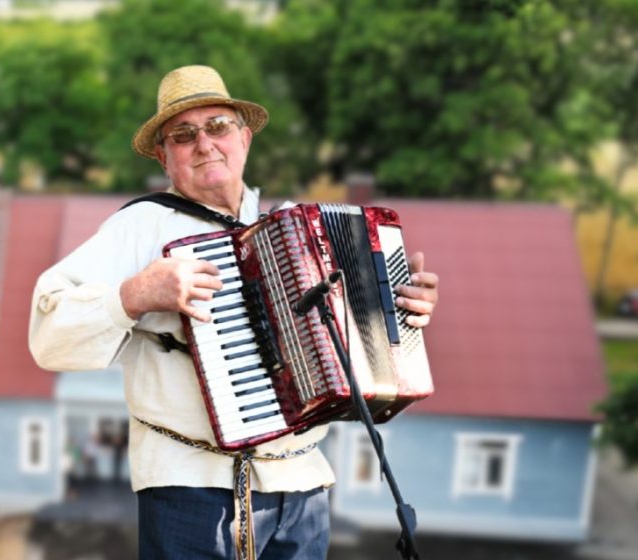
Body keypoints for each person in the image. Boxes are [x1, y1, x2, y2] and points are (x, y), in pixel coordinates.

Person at [28, 65, 439, 560]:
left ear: (244, 139)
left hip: (301, 488)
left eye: (218, 126)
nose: (204, 144)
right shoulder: (139, 227)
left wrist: (399, 310)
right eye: (183, 135)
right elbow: (47, 332)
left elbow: (352, 347)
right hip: (190, 491)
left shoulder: (294, 229)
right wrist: (134, 294)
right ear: (164, 156)